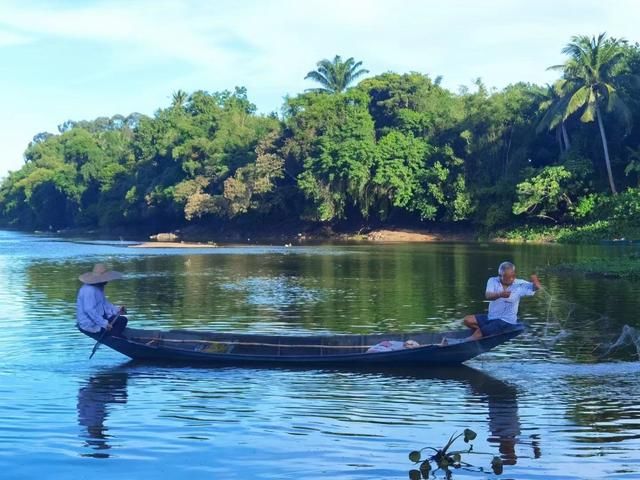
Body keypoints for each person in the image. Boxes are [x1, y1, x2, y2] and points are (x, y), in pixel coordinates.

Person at [464, 261, 542, 340]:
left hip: (506, 322)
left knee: (478, 334)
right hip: (491, 317)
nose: (511, 279)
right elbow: (488, 295)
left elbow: (536, 287)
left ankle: (474, 337)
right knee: (467, 320)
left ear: (514, 275)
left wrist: (535, 280)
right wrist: (500, 295)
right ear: (500, 275)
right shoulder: (492, 280)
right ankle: (486, 332)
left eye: (512, 276)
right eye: (507, 277)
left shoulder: (520, 284)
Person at [76, 263, 128, 337]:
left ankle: (114, 334)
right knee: (121, 321)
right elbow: (89, 310)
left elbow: (104, 304)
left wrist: (117, 311)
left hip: (98, 318)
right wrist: (104, 323)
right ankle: (114, 337)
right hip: (89, 323)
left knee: (122, 319)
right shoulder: (90, 290)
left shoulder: (98, 287)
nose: (107, 281)